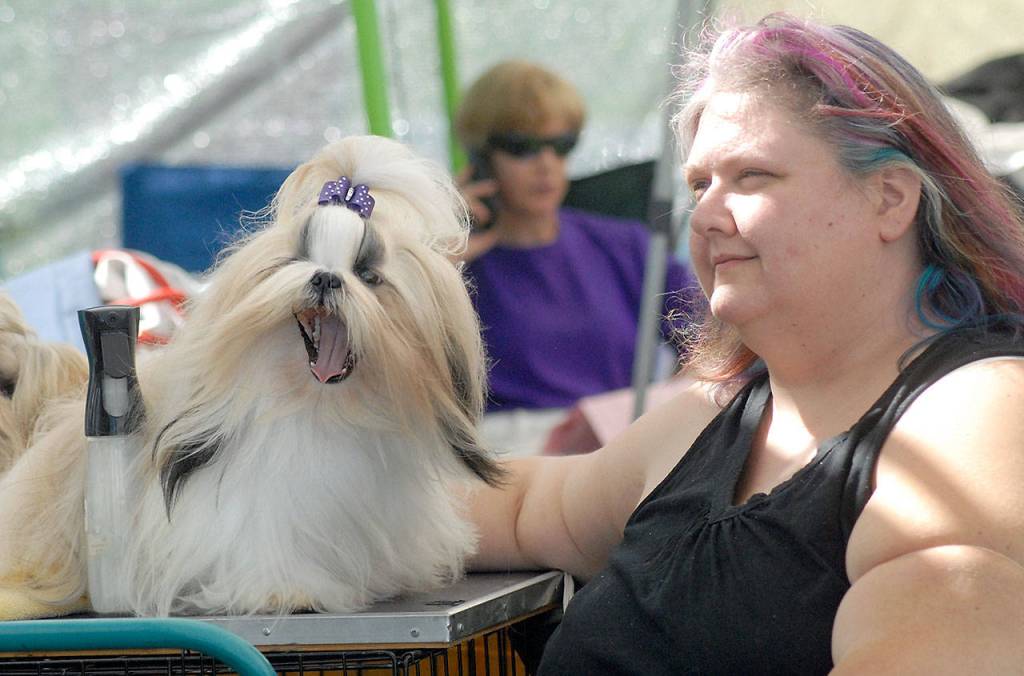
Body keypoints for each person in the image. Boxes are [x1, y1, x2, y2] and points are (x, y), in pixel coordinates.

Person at [467, 13, 1024, 674]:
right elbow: (525, 504)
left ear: (890, 198)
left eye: (753, 176)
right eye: (700, 184)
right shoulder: (711, 416)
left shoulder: (976, 418)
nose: (703, 215)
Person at [453, 60, 695, 454]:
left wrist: (668, 408)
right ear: (481, 157)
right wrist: (444, 256)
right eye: (521, 147)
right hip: (508, 460)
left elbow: (716, 338)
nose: (546, 163)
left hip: (621, 445)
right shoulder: (456, 265)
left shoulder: (626, 246)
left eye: (561, 145)